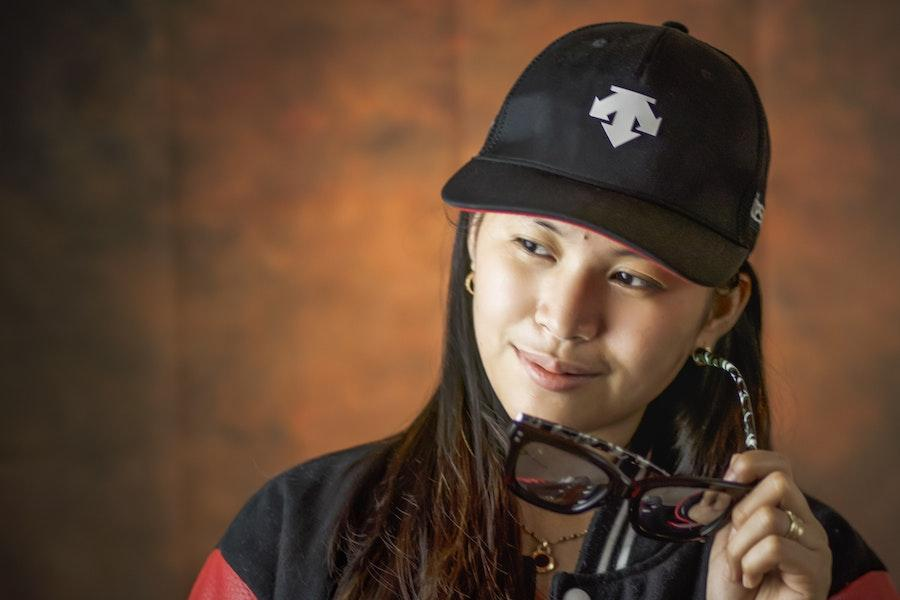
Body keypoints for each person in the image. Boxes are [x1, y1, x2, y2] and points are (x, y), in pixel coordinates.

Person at [188, 21, 897, 600]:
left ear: (718, 311)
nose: (564, 318)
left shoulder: (816, 576)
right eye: (534, 244)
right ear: (473, 242)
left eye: (633, 277)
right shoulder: (288, 542)